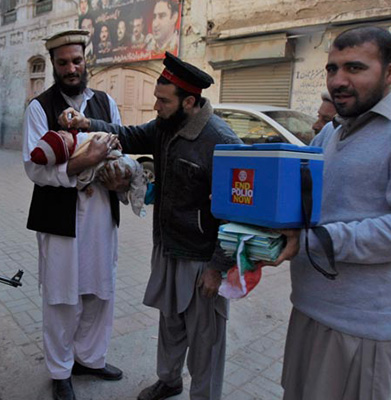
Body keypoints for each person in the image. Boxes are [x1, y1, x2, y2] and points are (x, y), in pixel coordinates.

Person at [265, 26, 391, 400]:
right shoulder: (332, 133)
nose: (339, 80)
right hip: (308, 306)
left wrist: (314, 241)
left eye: (354, 68)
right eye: (332, 69)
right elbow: (309, 204)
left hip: (359, 324)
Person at [61, 52, 241, 400]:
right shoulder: (165, 127)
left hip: (202, 258)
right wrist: (86, 124)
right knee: (171, 324)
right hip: (169, 249)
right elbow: (126, 134)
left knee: (206, 338)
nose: (155, 107)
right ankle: (169, 380)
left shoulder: (220, 140)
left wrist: (218, 268)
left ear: (189, 101)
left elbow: (235, 214)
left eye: (162, 100)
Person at [22, 29, 124, 400]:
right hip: (58, 216)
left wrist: (118, 171)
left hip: (100, 214)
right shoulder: (39, 108)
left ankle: (91, 358)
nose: (71, 68)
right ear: (53, 65)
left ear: (86, 62)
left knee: (100, 290)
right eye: (63, 62)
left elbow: (119, 144)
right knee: (62, 297)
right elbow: (34, 169)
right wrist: (82, 165)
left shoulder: (105, 103)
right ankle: (60, 370)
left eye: (76, 61)